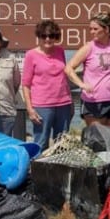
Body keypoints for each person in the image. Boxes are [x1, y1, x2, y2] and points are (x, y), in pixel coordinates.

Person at [22, 20, 73, 150]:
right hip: (42, 105)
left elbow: (64, 77)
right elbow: (26, 84)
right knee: (41, 141)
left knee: (62, 143)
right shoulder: (31, 55)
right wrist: (30, 108)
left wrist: (71, 102)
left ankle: (59, 168)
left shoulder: (60, 51)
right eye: (44, 36)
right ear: (38, 37)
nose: (48, 39)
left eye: (51, 36)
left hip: (63, 103)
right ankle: (38, 168)